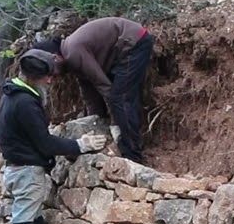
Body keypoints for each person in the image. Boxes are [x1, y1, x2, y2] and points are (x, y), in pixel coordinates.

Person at [0, 48, 107, 224]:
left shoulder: (12, 94)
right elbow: (45, 143)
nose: (51, 81)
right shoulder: (25, 103)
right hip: (27, 172)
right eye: (48, 77)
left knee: (31, 223)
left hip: (16, 168)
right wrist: (80, 145)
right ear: (36, 77)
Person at [34, 17, 154, 163]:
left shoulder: (73, 52)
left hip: (134, 43)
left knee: (120, 98)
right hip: (121, 49)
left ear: (55, 57)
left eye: (50, 72)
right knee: (118, 97)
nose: (51, 78)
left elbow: (103, 85)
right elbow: (90, 92)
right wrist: (94, 122)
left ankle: (132, 156)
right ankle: (126, 141)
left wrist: (115, 125)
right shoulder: (71, 57)